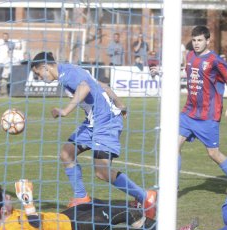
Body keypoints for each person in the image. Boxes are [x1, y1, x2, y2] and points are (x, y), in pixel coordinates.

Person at [30, 52, 157, 219]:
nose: (40, 77)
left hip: (106, 122)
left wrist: (65, 111)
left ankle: (146, 197)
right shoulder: (69, 70)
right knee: (67, 153)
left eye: (39, 74)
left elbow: (85, 87)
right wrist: (120, 104)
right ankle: (81, 197)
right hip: (93, 122)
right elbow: (101, 85)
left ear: (45, 67)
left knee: (102, 171)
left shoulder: (67, 75)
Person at [0, 154, 198, 230]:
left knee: (100, 203)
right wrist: (28, 203)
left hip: (65, 217)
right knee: (124, 215)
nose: (10, 197)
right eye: (7, 198)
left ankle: (149, 216)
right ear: (2, 210)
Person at [180, 25, 227, 185]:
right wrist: (160, 71)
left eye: (200, 40)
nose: (196, 43)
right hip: (188, 113)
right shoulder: (190, 56)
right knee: (174, 146)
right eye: (194, 40)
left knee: (213, 153)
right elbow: (184, 72)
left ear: (208, 40)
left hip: (208, 115)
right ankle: (173, 185)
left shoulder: (215, 60)